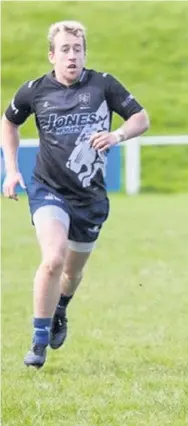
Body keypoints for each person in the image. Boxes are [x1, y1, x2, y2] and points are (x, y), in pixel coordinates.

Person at [2, 21, 150, 368]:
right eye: (65, 49)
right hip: (47, 187)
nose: (72, 56)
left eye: (77, 49)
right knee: (52, 259)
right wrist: (10, 169)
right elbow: (8, 122)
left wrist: (117, 136)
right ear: (52, 55)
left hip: (90, 197)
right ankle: (38, 342)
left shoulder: (103, 84)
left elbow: (141, 118)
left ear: (85, 53)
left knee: (71, 272)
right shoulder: (35, 90)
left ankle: (60, 310)